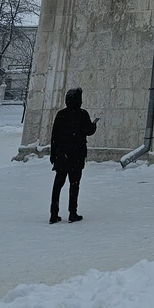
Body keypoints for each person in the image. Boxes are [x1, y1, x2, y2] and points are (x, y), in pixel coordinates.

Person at [49, 86, 98, 223]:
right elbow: (88, 130)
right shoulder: (82, 114)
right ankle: (72, 213)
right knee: (74, 184)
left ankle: (54, 214)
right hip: (76, 156)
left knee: (58, 185)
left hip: (62, 156)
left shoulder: (61, 115)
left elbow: (54, 137)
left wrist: (53, 155)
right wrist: (94, 125)